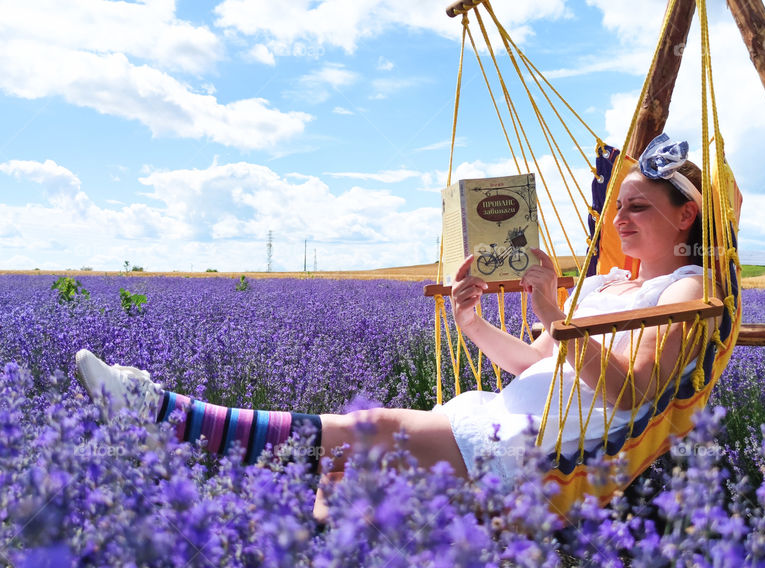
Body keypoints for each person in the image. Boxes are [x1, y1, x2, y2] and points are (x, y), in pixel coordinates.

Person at [76, 134, 709, 516]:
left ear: (685, 218)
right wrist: (473, 325)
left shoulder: (689, 287)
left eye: (641, 207)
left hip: (544, 447)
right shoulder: (604, 283)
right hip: (498, 411)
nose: (620, 220)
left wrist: (552, 311)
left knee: (368, 434)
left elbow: (636, 394)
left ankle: (158, 412)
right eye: (618, 206)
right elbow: (536, 363)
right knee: (341, 484)